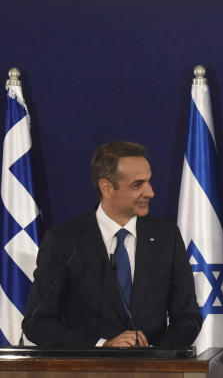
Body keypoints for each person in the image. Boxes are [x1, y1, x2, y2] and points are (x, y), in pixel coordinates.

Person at [21, 141, 201, 348]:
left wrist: (155, 354)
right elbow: (37, 322)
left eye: (149, 182)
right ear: (107, 188)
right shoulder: (64, 241)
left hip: (155, 375)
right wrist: (101, 346)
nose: (150, 192)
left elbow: (188, 318)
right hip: (86, 376)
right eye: (138, 184)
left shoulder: (167, 237)